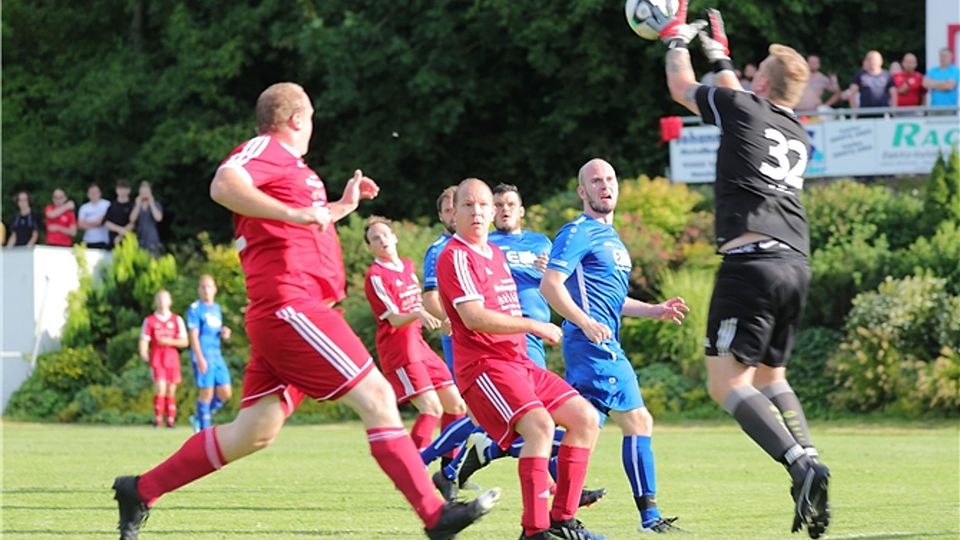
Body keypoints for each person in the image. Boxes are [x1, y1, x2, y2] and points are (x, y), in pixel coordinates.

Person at [112, 82, 497, 540]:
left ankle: (139, 490)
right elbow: (224, 184)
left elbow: (299, 222)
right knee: (376, 397)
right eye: (311, 116)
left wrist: (341, 206)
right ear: (297, 118)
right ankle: (435, 515)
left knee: (254, 431)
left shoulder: (293, 170)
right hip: (291, 306)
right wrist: (298, 214)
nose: (313, 125)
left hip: (290, 310)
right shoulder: (263, 149)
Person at [651, 2, 831, 536]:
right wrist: (721, 54)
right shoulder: (796, 129)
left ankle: (799, 464)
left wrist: (674, 40)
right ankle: (811, 455)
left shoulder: (741, 106)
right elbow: (744, 95)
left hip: (751, 266)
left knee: (724, 382)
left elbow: (682, 89)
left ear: (761, 80)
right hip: (796, 262)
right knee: (772, 375)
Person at [437, 177, 604, 540]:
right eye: (469, 205)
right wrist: (534, 325)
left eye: (484, 205)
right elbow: (474, 317)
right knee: (540, 427)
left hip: (519, 363)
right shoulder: (455, 255)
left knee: (586, 419)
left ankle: (562, 518)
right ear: (455, 212)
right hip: (484, 366)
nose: (478, 212)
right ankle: (534, 531)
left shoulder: (494, 255)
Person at [539, 158, 689, 534]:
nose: (604, 185)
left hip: (598, 341)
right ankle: (650, 518)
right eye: (595, 180)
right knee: (638, 421)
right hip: (593, 346)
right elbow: (551, 285)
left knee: (582, 426)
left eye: (609, 179)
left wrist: (654, 310)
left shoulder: (611, 237)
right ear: (582, 191)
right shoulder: (578, 232)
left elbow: (610, 300)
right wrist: (585, 322)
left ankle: (507, 446)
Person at [362, 216, 468, 450]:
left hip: (419, 346)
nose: (382, 241)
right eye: (375, 239)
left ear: (394, 237)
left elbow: (420, 306)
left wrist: (443, 320)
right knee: (431, 409)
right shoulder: (376, 277)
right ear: (369, 247)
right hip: (399, 351)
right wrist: (418, 313)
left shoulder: (408, 266)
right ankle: (414, 469)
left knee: (457, 406)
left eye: (385, 235)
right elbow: (395, 320)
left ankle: (447, 474)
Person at [488, 183, 552, 368]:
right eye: (498, 205)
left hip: (536, 331)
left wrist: (550, 272)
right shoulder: (484, 244)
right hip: (503, 329)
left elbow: (561, 284)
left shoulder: (541, 242)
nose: (505, 209)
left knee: (537, 389)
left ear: (521, 211)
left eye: (510, 204)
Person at [186, 275, 234, 432]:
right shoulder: (195, 309)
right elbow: (193, 335)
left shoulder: (217, 308)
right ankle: (204, 431)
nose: (206, 290)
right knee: (206, 392)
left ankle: (199, 417)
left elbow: (214, 330)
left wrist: (223, 332)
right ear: (199, 290)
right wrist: (200, 358)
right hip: (203, 355)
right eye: (203, 287)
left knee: (226, 392)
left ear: (215, 289)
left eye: (209, 286)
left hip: (217, 355)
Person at [139, 289, 189, 428]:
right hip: (157, 358)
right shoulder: (150, 320)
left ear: (170, 301)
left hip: (172, 359)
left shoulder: (176, 320)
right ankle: (158, 418)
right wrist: (143, 352)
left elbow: (185, 342)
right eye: (159, 299)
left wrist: (169, 341)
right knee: (160, 387)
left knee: (171, 390)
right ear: (156, 302)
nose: (162, 302)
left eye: (165, 298)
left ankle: (171, 419)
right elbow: (144, 339)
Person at [130, 181, 163, 255]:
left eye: (146, 192)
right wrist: (138, 205)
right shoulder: (136, 205)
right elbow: (132, 219)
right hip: (139, 238)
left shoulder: (156, 204)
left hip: (152, 238)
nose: (144, 194)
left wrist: (151, 203)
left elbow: (158, 218)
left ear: (150, 192)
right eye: (142, 192)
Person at [77, 183, 111, 249]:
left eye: (96, 192)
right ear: (88, 194)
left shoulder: (107, 205)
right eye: (91, 193)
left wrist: (87, 222)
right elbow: (80, 225)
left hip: (103, 241)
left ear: (100, 193)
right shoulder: (84, 207)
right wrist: (97, 223)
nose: (94, 195)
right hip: (87, 241)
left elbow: (101, 222)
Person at [104, 180, 136, 247]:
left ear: (129, 190)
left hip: (129, 243)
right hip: (113, 242)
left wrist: (120, 236)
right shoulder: (111, 206)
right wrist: (119, 229)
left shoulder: (133, 206)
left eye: (125, 189)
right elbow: (107, 223)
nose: (122, 191)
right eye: (120, 189)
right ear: (116, 190)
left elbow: (133, 223)